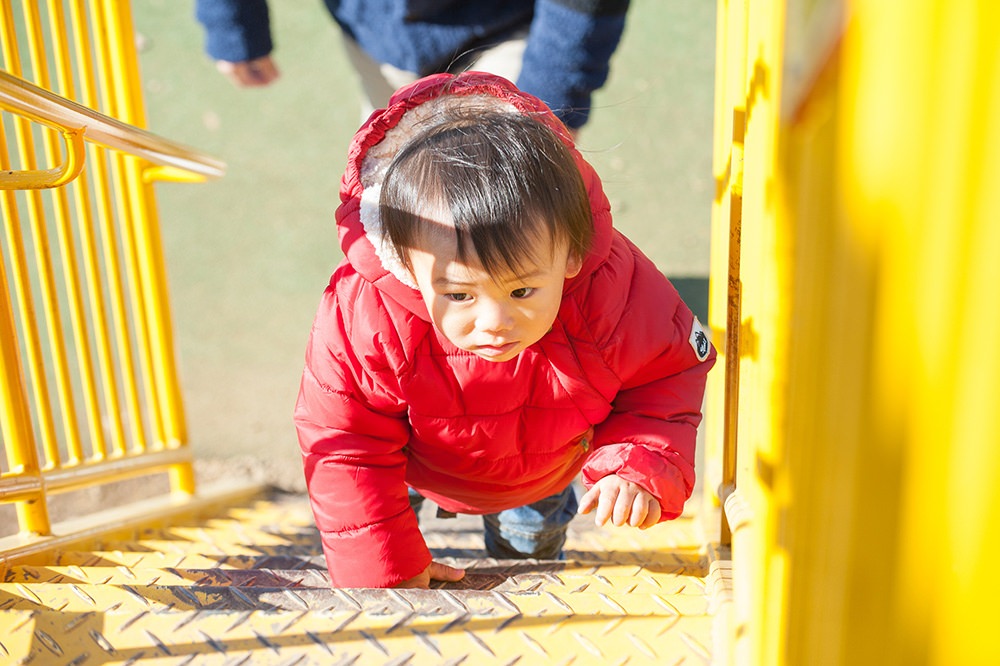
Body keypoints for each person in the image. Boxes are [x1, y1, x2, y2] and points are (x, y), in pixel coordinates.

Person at [293, 71, 716, 589]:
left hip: (541, 477)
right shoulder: (369, 312)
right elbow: (345, 440)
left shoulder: (611, 289)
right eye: (459, 295)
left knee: (530, 579)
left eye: (521, 292)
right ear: (404, 264)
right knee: (381, 548)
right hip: (408, 467)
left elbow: (666, 373)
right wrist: (385, 569)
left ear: (570, 253)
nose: (494, 324)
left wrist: (639, 461)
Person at [194, 0, 631, 131]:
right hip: (377, 35)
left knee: (514, 196)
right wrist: (233, 25)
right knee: (391, 192)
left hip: (514, 27)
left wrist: (549, 104)